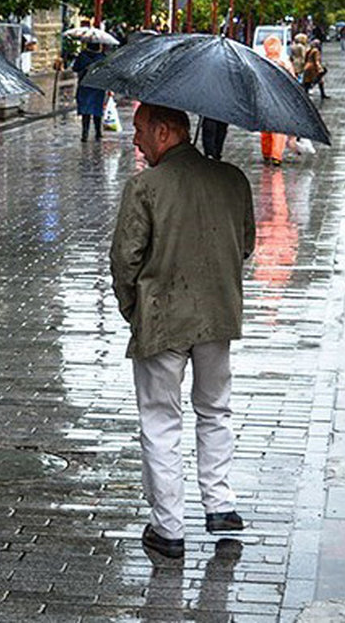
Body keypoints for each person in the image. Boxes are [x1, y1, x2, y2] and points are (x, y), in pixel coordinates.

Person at [109, 103, 256, 560]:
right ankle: (220, 504)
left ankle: (169, 528)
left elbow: (124, 260)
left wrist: (133, 309)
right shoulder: (232, 179)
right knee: (215, 409)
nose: (135, 140)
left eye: (139, 131)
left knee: (160, 421)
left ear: (165, 131)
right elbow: (246, 244)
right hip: (217, 316)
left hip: (162, 319)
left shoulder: (145, 187)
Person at [259, 36, 293, 165]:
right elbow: (292, 80)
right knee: (279, 129)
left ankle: (266, 152)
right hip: (281, 99)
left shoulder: (262, 62)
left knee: (266, 128)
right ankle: (276, 155)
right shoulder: (284, 62)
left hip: (265, 98)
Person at [73, 42, 107, 142]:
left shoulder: (82, 56)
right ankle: (98, 132)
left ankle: (85, 133)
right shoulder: (102, 57)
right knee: (97, 109)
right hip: (98, 86)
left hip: (85, 85)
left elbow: (75, 68)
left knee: (85, 110)